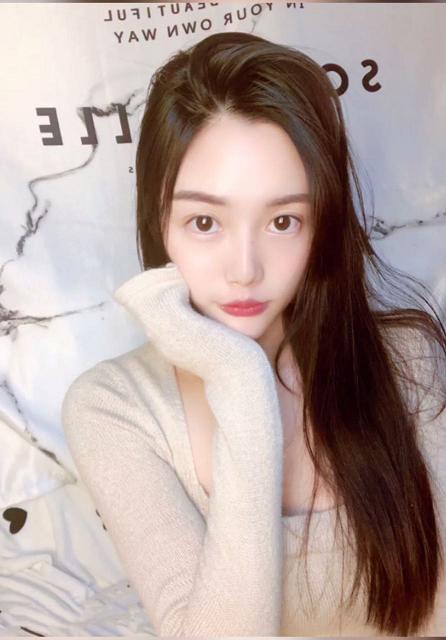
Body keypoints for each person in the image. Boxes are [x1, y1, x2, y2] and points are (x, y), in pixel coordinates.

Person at [61, 31, 446, 636]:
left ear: (323, 226)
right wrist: (241, 379)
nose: (245, 269)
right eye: (205, 222)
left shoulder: (405, 360)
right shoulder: (113, 407)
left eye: (283, 221)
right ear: (160, 221)